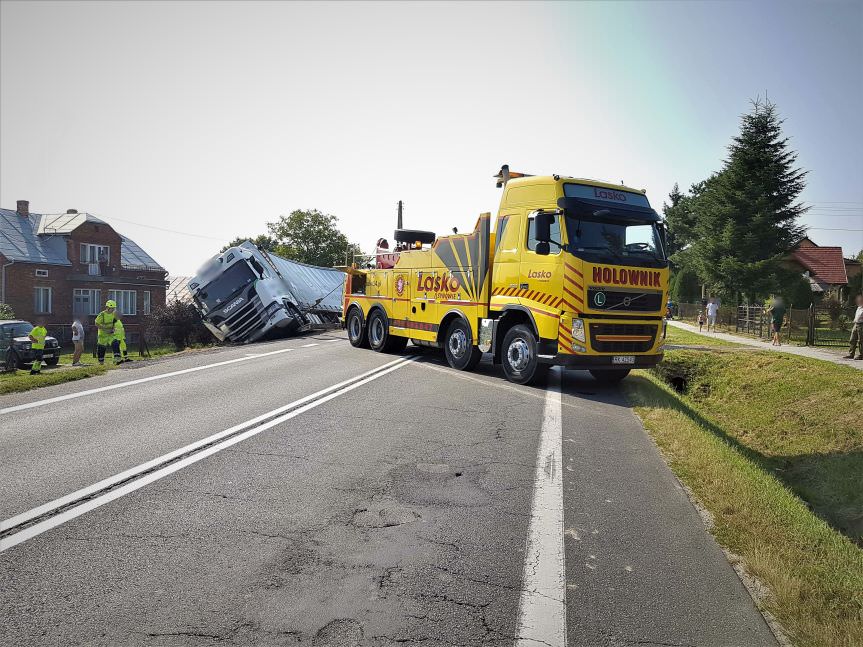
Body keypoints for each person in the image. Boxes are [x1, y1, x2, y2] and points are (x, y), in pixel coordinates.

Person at [94, 300, 122, 364]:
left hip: (111, 334)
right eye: (112, 308)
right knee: (101, 349)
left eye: (114, 308)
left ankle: (117, 359)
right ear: (107, 307)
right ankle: (101, 362)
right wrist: (105, 330)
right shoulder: (102, 314)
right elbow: (96, 323)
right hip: (103, 335)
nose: (113, 310)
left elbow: (115, 323)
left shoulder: (113, 314)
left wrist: (114, 329)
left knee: (115, 343)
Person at [845, 293, 863, 360]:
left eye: (860, 299)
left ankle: (861, 355)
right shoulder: (859, 307)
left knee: (861, 340)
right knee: (852, 339)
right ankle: (851, 354)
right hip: (856, 324)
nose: (858, 300)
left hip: (861, 325)